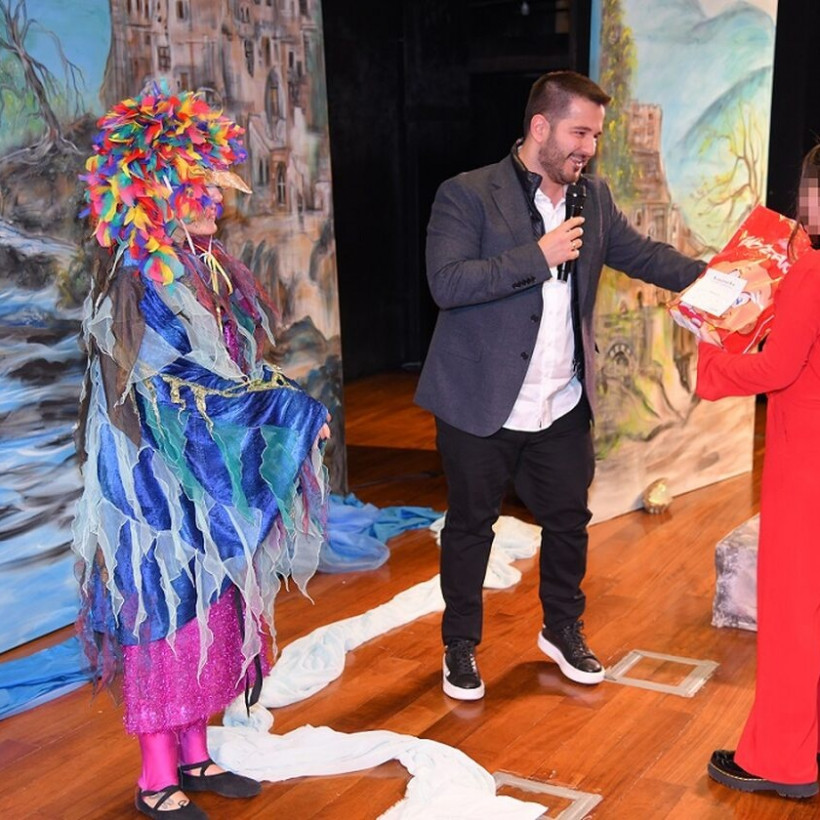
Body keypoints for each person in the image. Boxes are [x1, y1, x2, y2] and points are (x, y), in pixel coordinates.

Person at [73, 85, 330, 818]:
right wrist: (288, 410)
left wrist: (283, 398)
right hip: (152, 487)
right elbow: (181, 388)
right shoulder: (136, 287)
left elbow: (233, 370)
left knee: (211, 605)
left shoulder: (201, 269)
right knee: (166, 610)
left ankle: (195, 755)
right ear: (157, 197)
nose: (218, 198)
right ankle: (157, 779)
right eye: (201, 187)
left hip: (199, 476)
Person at [415, 70, 704, 700]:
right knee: (471, 527)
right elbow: (448, 283)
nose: (589, 148)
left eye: (595, 136)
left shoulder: (592, 198)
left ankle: (561, 629)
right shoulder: (466, 194)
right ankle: (459, 645)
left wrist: (717, 280)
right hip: (480, 401)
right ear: (540, 127)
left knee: (570, 522)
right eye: (579, 133)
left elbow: (645, 255)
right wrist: (538, 256)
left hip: (562, 400)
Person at [699, 145, 820, 800]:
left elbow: (778, 368)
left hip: (807, 465)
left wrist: (710, 360)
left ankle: (783, 760)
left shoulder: (811, 273)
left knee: (793, 615)